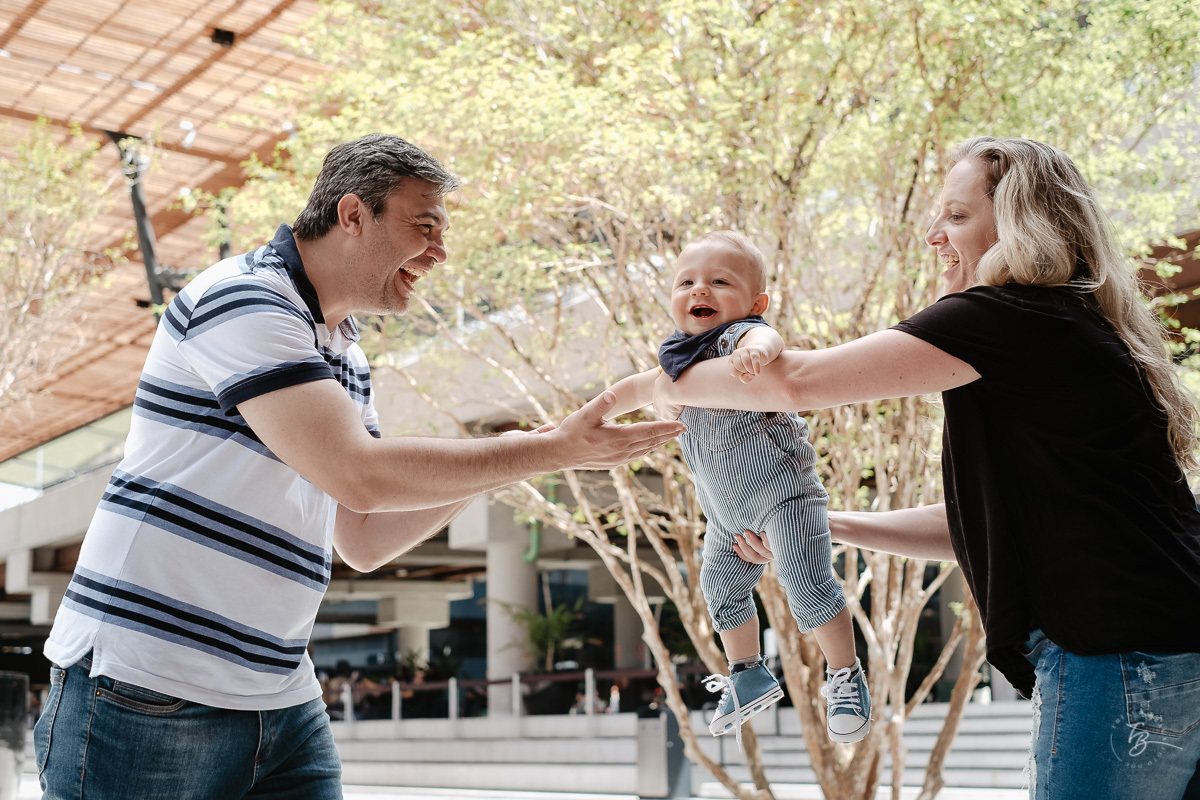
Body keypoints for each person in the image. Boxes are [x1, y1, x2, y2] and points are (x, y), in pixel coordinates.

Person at [33, 133, 684, 800]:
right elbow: (358, 473)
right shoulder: (244, 299)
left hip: (279, 694)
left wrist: (515, 456)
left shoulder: (344, 351)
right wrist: (548, 450)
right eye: (423, 226)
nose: (440, 252)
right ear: (352, 215)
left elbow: (364, 535)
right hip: (147, 688)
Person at [654, 137, 1200, 798]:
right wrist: (821, 524)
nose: (934, 235)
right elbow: (979, 523)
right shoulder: (1068, 325)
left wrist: (642, 390)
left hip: (1117, 658)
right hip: (1166, 654)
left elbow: (792, 383)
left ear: (1022, 225)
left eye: (957, 216)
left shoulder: (1000, 318)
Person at [603, 231, 870, 745]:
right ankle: (747, 672)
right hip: (725, 514)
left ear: (754, 303)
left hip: (785, 497)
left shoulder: (737, 340)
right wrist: (577, 424)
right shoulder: (675, 362)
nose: (699, 290)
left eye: (719, 281)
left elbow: (767, 341)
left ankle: (844, 674)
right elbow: (627, 392)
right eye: (686, 282)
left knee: (807, 584)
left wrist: (758, 350)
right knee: (721, 591)